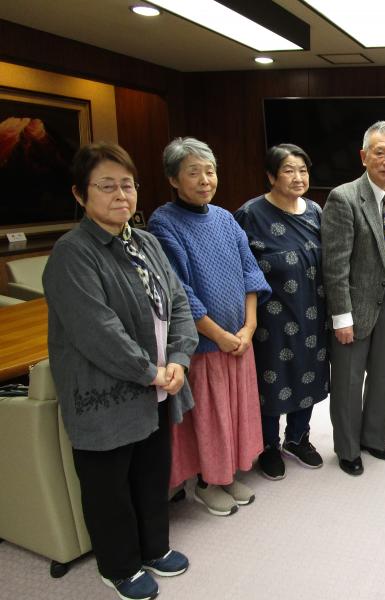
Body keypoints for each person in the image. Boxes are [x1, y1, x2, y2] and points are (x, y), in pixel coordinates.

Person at [43, 142, 197, 600]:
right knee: (109, 484)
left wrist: (178, 360)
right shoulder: (73, 253)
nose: (120, 195)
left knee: (151, 471)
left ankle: (154, 547)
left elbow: (179, 304)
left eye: (126, 185)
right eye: (106, 186)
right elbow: (99, 332)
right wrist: (152, 370)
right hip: (106, 391)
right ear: (80, 193)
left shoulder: (145, 241)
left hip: (158, 382)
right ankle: (119, 565)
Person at [148, 137, 271, 516]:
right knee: (209, 416)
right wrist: (218, 335)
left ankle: (227, 471)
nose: (205, 180)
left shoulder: (224, 217)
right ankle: (206, 481)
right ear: (173, 178)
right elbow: (179, 291)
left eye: (210, 171)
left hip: (238, 339)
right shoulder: (163, 221)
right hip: (204, 343)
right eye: (193, 172)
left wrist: (249, 327)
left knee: (235, 411)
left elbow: (251, 270)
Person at [321, 120, 385, 476]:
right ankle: (348, 449)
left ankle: (374, 439)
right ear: (364, 156)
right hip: (354, 304)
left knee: (383, 375)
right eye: (380, 153)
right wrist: (341, 316)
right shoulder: (343, 197)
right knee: (348, 381)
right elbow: (334, 264)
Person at [234, 144, 329, 480]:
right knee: (271, 381)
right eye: (288, 170)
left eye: (303, 170)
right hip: (270, 319)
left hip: (312, 312)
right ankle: (269, 445)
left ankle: (298, 438)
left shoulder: (315, 211)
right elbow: (239, 269)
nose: (298, 177)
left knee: (309, 374)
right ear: (271, 175)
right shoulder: (250, 214)